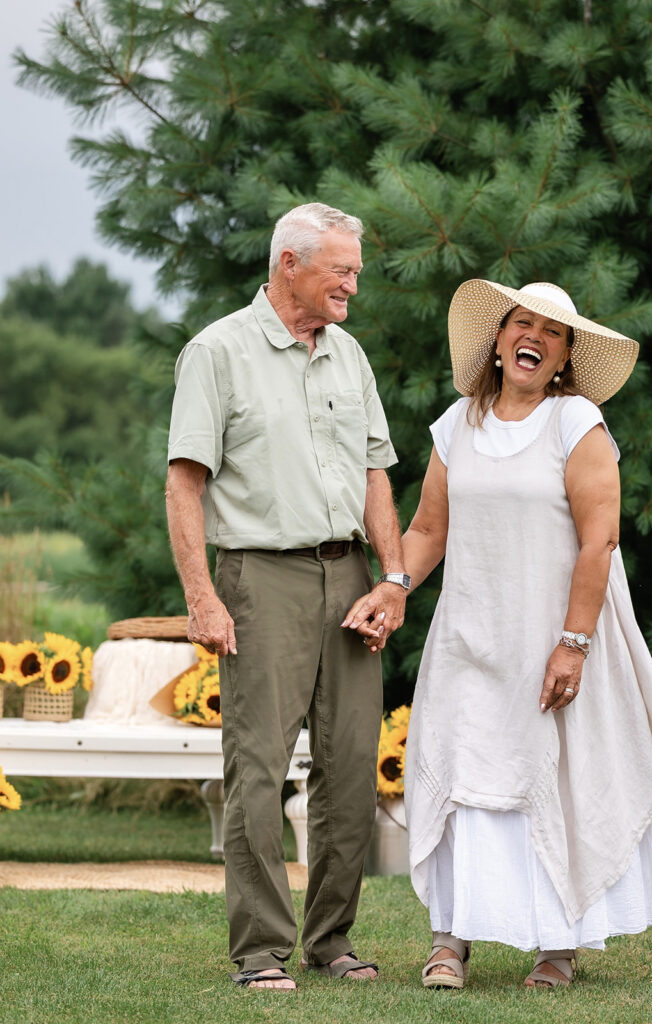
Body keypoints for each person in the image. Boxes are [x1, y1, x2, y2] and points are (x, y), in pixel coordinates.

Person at [400, 279, 652, 990]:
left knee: (558, 778)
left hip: (557, 636)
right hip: (470, 637)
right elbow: (426, 530)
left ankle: (557, 945)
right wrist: (392, 589)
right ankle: (449, 941)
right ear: (498, 338)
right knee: (463, 776)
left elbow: (599, 542)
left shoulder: (576, 424)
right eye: (519, 323)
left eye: (551, 330)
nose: (531, 337)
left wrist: (572, 644)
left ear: (565, 352)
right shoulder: (456, 425)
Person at [165, 203, 409, 991]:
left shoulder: (349, 356)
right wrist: (203, 598)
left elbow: (376, 475)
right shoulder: (217, 352)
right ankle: (260, 950)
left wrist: (393, 579)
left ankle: (331, 942)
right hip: (258, 579)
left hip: (348, 579)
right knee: (259, 770)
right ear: (289, 265)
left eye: (356, 273)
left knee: (347, 770)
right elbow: (184, 485)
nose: (352, 287)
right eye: (341, 271)